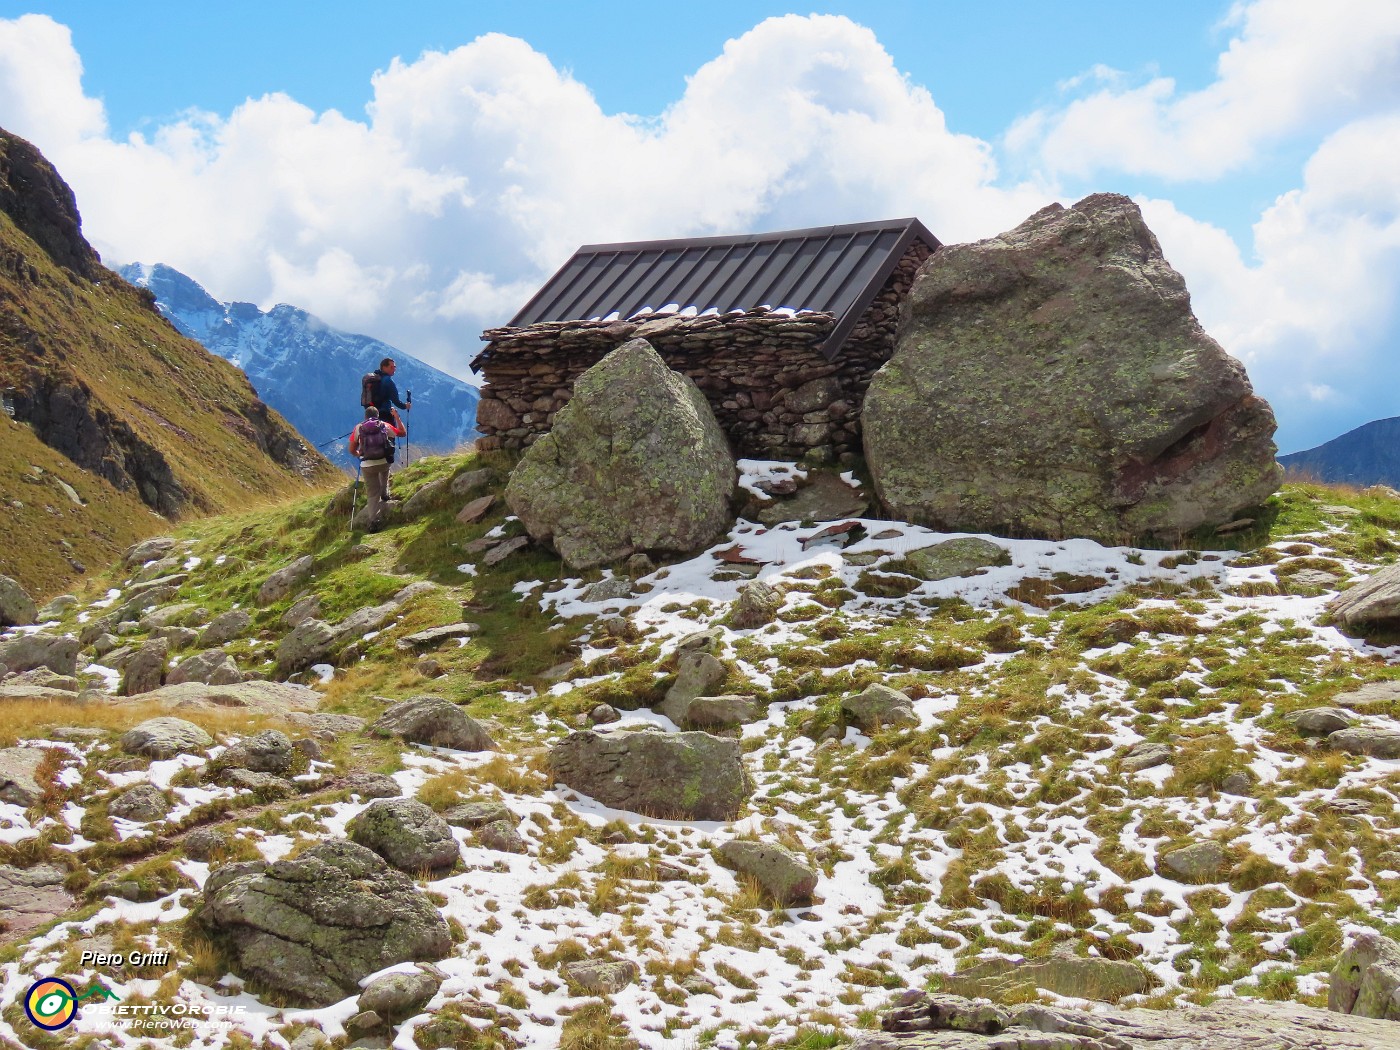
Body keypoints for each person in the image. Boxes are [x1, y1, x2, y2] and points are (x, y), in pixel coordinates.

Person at [349, 406, 405, 530]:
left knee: (373, 493)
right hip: (383, 462)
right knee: (385, 471)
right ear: (377, 415)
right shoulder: (384, 425)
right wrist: (396, 416)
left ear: (365, 416)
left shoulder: (359, 427)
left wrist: (359, 454)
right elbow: (402, 433)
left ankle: (373, 521)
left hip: (367, 465)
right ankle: (385, 493)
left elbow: (351, 449)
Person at [368, 357, 410, 423]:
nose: (394, 369)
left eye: (394, 367)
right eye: (391, 367)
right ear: (384, 367)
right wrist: (405, 406)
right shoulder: (387, 381)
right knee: (391, 432)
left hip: (372, 414)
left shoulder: (374, 379)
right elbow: (396, 401)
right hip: (385, 414)